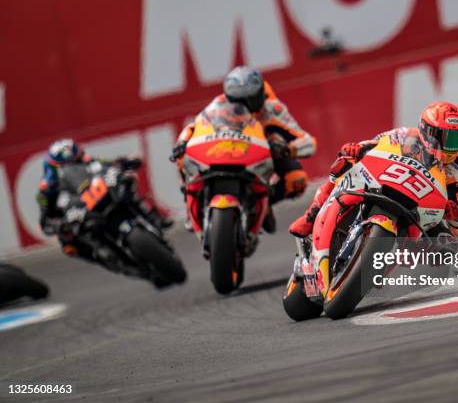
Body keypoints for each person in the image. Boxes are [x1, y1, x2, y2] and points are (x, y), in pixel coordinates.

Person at [289, 101, 458, 239]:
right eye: (448, 138)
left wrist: (456, 216)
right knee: (345, 164)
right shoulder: (406, 136)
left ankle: (381, 266)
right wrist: (356, 149)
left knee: (446, 245)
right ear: (428, 131)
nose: (452, 146)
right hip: (390, 184)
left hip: (423, 212)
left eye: (457, 138)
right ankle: (311, 216)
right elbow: (375, 144)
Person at [170, 66, 317, 232]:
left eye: (250, 99)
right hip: (227, 146)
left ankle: (263, 201)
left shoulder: (272, 109)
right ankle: (190, 204)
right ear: (229, 96)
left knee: (296, 179)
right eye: (238, 101)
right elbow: (194, 126)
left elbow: (307, 142)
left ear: (260, 94)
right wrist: (182, 144)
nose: (245, 106)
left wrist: (287, 149)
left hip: (265, 149)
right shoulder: (220, 104)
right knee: (183, 158)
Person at [37, 138, 172, 263]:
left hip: (100, 196)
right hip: (80, 215)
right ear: (54, 167)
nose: (74, 167)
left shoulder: (90, 162)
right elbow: (45, 222)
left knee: (127, 182)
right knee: (69, 246)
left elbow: (110, 164)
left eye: (76, 161)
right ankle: (101, 255)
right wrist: (59, 224)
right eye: (66, 165)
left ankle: (152, 218)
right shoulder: (46, 189)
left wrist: (125, 162)